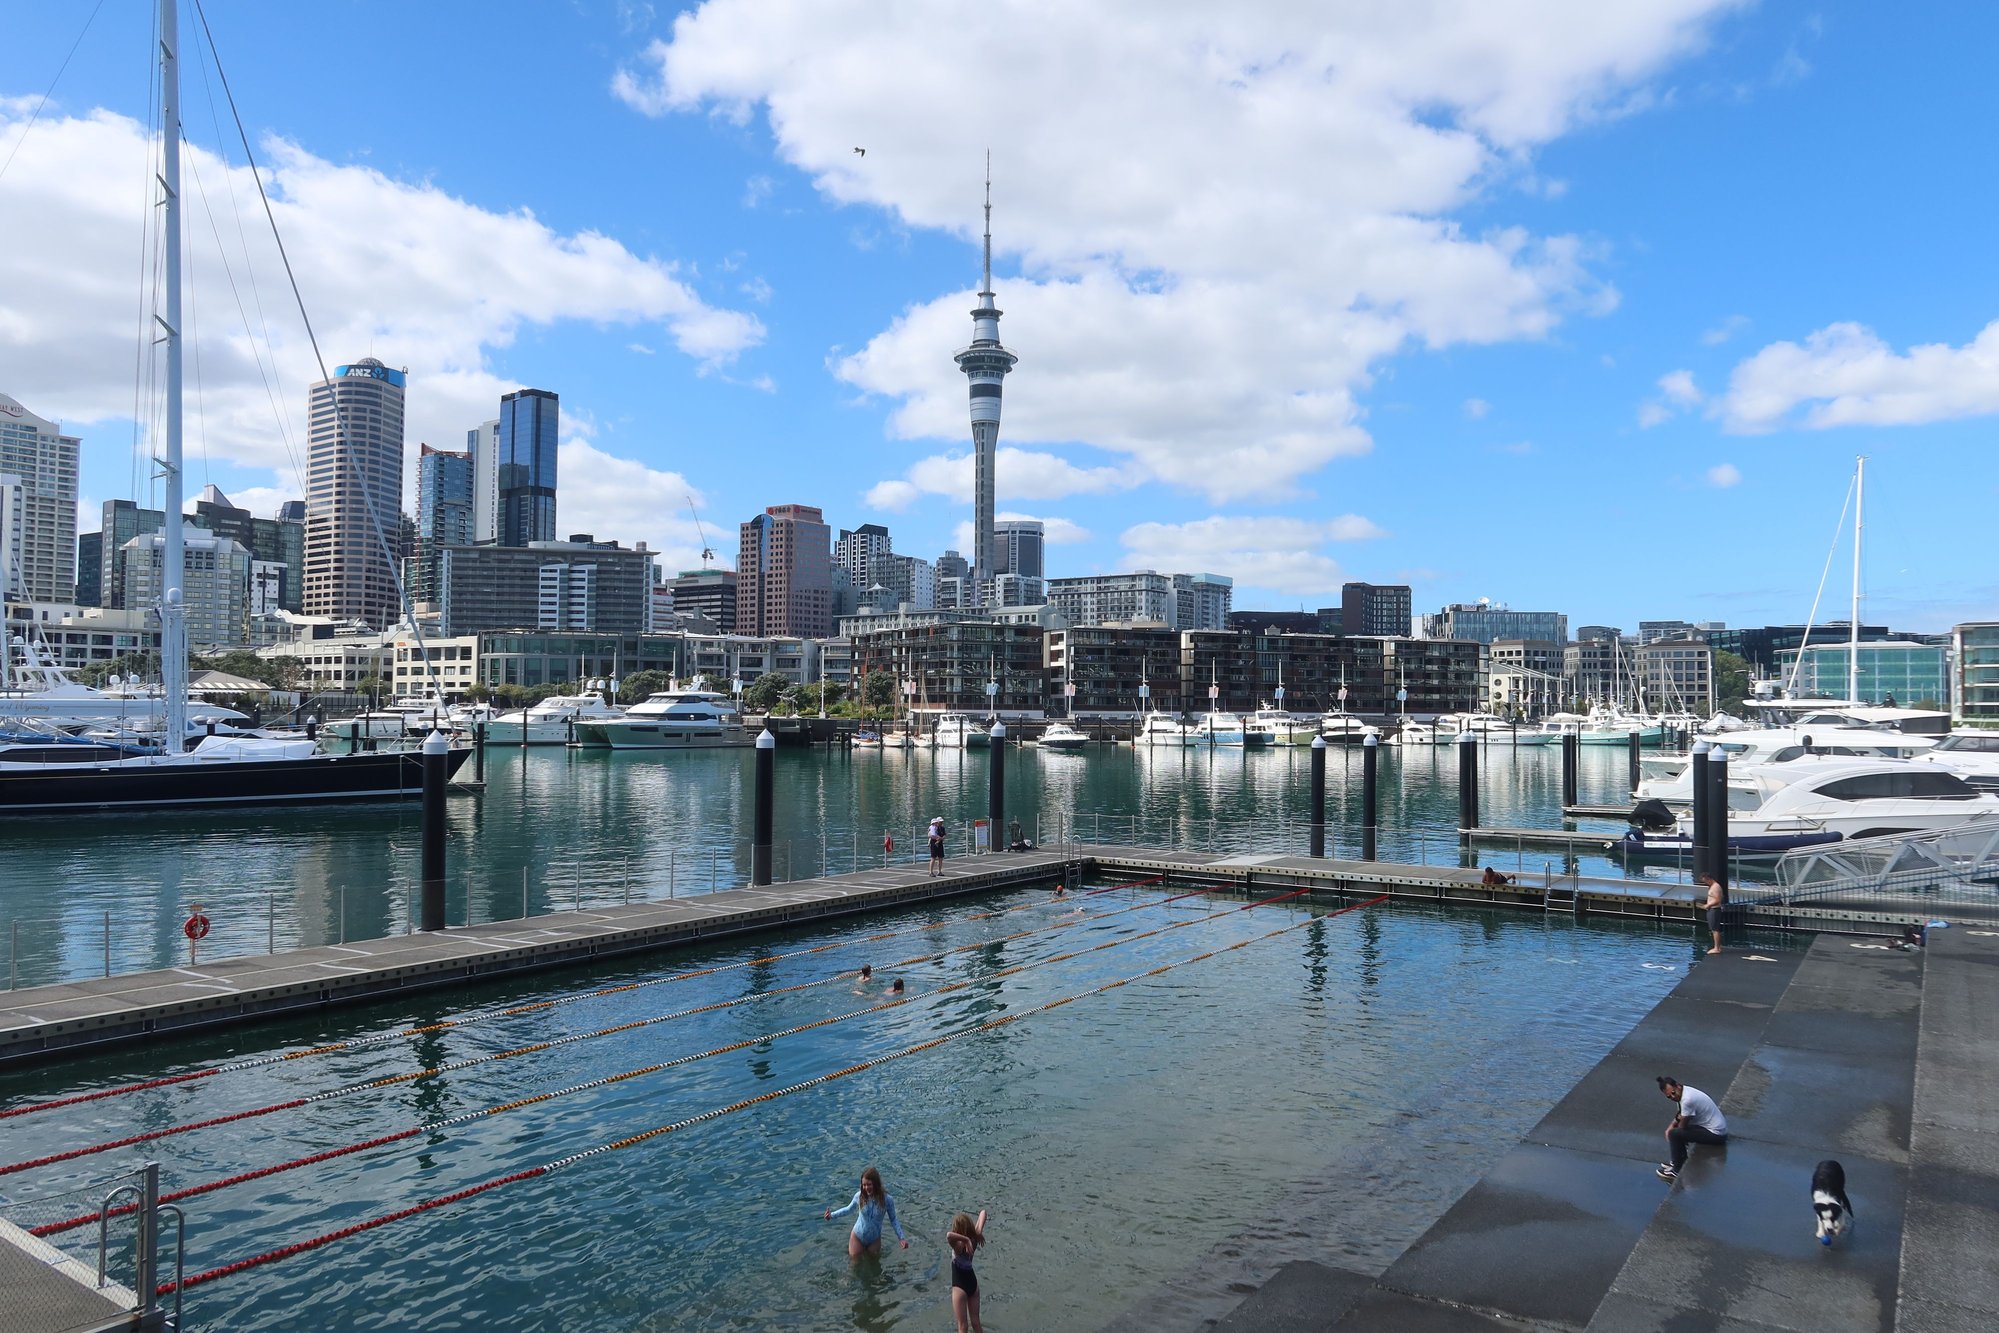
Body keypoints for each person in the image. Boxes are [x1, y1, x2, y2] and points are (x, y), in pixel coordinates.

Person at [824, 1166, 907, 1260]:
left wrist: (901, 1238)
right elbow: (848, 1209)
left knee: (874, 1266)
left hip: (874, 1240)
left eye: (869, 1184)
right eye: (864, 1185)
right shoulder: (859, 1196)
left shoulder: (887, 1200)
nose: (866, 1188)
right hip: (857, 1236)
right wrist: (831, 1215)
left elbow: (893, 1219)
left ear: (876, 1184)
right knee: (854, 1265)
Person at [1655, 1076, 1727, 1180]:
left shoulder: (1687, 1100)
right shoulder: (1685, 1092)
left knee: (1675, 1134)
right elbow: (1681, 1114)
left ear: (1678, 1086)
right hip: (1715, 1129)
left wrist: (1672, 1132)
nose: (1672, 1097)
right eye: (1669, 1096)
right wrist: (1670, 1126)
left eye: (1673, 1093)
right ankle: (1678, 1160)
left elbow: (1682, 1127)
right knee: (1675, 1132)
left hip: (1717, 1134)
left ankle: (1677, 1170)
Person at [946, 1208, 988, 1333]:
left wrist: (965, 1239)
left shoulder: (958, 1245)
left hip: (960, 1286)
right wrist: (978, 1232)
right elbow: (983, 1212)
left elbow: (948, 1235)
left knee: (962, 1326)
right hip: (973, 1284)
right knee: (976, 1322)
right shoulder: (975, 1239)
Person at [1698, 873, 1726, 955]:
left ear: (1708, 878)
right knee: (1713, 929)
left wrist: (1708, 905)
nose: (1705, 883)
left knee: (1715, 929)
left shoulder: (1716, 887)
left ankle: (1717, 948)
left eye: (1705, 881)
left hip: (1714, 909)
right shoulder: (1712, 886)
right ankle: (1717, 946)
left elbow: (1718, 900)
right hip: (1711, 909)